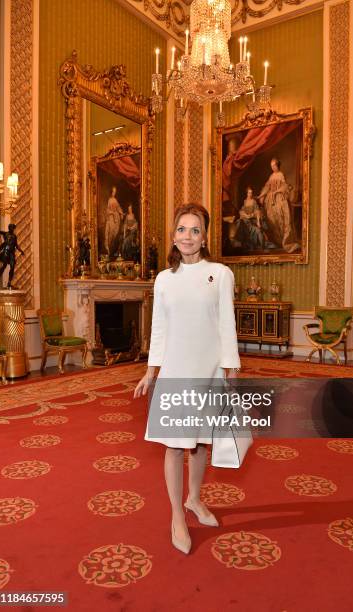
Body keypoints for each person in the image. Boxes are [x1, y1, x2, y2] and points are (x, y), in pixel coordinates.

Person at [134, 203, 241, 555]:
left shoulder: (221, 274)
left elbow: (227, 324)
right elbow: (159, 329)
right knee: (174, 443)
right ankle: (176, 513)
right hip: (177, 370)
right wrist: (151, 372)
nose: (188, 237)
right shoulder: (164, 279)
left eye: (195, 230)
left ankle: (195, 499)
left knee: (199, 442)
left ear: (205, 236)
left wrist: (232, 370)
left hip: (208, 369)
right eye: (182, 229)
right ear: (173, 234)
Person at [258, 157, 300, 253]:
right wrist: (261, 195)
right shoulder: (271, 176)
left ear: (277, 165)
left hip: (279, 198)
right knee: (272, 218)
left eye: (274, 165)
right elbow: (267, 187)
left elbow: (285, 186)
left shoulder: (281, 175)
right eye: (271, 166)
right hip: (271, 199)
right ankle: (277, 240)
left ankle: (284, 240)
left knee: (282, 217)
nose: (272, 167)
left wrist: (277, 191)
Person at [0, 223, 24, 288]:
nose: (10, 228)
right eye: (9, 227)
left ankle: (9, 282)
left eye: (11, 227)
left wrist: (21, 251)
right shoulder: (5, 234)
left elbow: (16, 245)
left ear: (13, 228)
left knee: (12, 267)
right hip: (6, 252)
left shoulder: (14, 236)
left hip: (11, 253)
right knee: (4, 265)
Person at [104, 186, 124, 256]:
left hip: (116, 218)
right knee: (110, 232)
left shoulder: (115, 200)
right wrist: (111, 212)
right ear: (111, 192)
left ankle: (112, 249)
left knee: (115, 233)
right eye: (113, 191)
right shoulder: (109, 200)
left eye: (115, 192)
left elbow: (118, 208)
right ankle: (109, 249)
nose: (114, 193)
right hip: (111, 217)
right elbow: (107, 210)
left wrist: (121, 213)